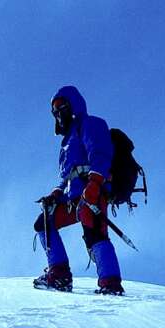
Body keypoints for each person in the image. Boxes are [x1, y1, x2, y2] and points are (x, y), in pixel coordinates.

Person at [33, 85, 124, 295]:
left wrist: (94, 183)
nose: (57, 112)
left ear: (73, 104)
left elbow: (100, 154)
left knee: (94, 230)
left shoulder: (91, 124)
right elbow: (65, 177)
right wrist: (55, 193)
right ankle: (59, 274)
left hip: (93, 191)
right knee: (43, 222)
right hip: (73, 196)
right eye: (54, 110)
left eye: (60, 105)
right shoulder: (66, 144)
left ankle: (110, 283)